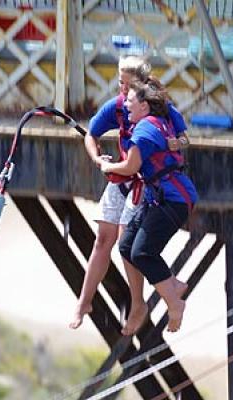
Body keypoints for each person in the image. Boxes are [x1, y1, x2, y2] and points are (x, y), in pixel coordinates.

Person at [70, 56, 188, 335]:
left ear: (140, 87)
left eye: (125, 84)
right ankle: (84, 302)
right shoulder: (118, 106)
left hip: (143, 181)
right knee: (103, 238)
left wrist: (175, 142)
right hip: (120, 174)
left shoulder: (157, 109)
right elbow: (91, 134)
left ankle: (139, 304)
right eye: (119, 82)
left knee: (126, 239)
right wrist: (98, 159)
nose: (121, 90)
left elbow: (184, 138)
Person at [99, 77, 198, 332]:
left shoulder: (144, 130)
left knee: (142, 252)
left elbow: (131, 166)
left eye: (130, 102)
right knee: (126, 245)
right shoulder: (156, 123)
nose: (125, 106)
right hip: (160, 197)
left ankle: (175, 303)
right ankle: (172, 284)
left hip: (174, 199)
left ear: (144, 106)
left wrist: (107, 165)